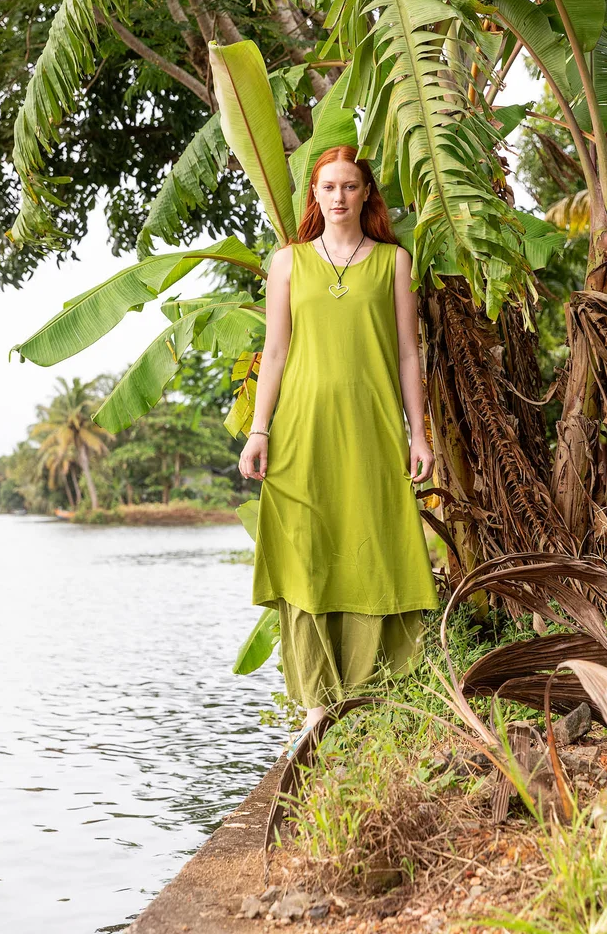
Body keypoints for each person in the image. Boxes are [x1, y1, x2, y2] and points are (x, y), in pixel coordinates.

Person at [238, 144, 440, 757]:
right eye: (328, 187)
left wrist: (419, 433)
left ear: (366, 194)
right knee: (308, 555)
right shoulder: (288, 263)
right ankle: (318, 707)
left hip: (374, 430)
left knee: (375, 550)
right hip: (300, 431)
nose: (339, 197)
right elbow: (274, 353)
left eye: (350, 186)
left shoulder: (393, 263)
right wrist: (259, 429)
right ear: (314, 197)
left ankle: (374, 695)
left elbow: (409, 352)